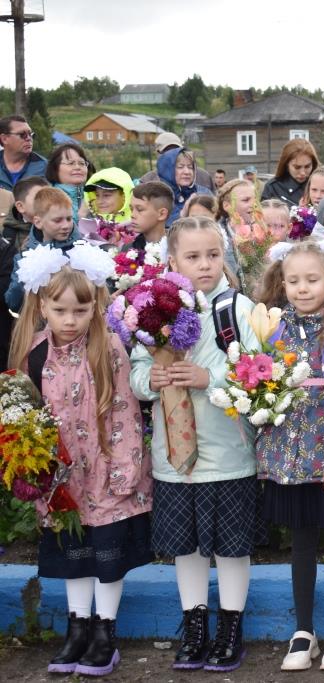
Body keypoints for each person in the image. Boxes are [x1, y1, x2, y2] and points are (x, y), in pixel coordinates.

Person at [8, 244, 151, 677]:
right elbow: (24, 420)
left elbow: (126, 410)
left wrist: (126, 468)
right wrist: (32, 469)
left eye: (80, 310)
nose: (70, 320)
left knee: (107, 555)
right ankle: (78, 627)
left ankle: (105, 632)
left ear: (95, 307)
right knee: (74, 553)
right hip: (62, 480)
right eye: (60, 310)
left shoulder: (106, 349)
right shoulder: (34, 354)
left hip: (108, 472)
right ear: (42, 307)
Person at [129, 217, 261, 673]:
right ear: (171, 262)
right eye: (193, 256)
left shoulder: (237, 309)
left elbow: (260, 372)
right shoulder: (153, 314)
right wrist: (152, 378)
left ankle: (230, 627)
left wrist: (210, 378)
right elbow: (137, 372)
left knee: (231, 546)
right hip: (175, 459)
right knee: (186, 548)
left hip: (228, 454)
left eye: (213, 254)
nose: (205, 264)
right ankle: (195, 624)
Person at [255, 240, 324, 672]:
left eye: (312, 280)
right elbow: (261, 385)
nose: (302, 289)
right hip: (290, 458)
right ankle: (304, 630)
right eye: (293, 280)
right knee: (300, 541)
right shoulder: (276, 328)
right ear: (282, 283)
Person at [6, 187, 81, 312]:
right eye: (57, 220)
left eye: (69, 219)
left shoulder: (83, 251)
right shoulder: (24, 257)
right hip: (39, 328)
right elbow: (13, 304)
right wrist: (24, 278)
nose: (66, 225)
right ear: (38, 222)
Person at [140, 132, 215, 191]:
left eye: (176, 150)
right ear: (157, 153)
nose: (172, 155)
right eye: (167, 151)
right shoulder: (148, 180)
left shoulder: (204, 177)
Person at [157, 148, 213, 222]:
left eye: (190, 167)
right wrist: (182, 214)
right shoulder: (158, 197)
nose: (187, 172)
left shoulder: (204, 193)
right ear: (168, 171)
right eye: (180, 167)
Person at [45, 143, 93, 227]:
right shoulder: (48, 199)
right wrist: (82, 215)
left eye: (82, 163)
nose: (78, 167)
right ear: (55, 168)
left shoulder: (93, 194)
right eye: (71, 163)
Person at [261, 139, 319, 206]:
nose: (303, 173)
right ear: (286, 165)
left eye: (307, 166)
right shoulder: (273, 187)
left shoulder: (321, 184)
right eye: (297, 167)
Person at [0, 115, 47, 190]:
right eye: (22, 135)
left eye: (31, 134)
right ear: (4, 139)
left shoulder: (44, 167)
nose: (29, 139)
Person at [125, 181, 173, 253]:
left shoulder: (179, 249)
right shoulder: (128, 250)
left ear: (161, 214)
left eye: (140, 209)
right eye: (131, 209)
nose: (132, 215)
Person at [3, 175, 48, 251]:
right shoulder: (8, 235)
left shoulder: (63, 224)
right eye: (39, 197)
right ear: (20, 206)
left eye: (50, 196)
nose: (47, 202)